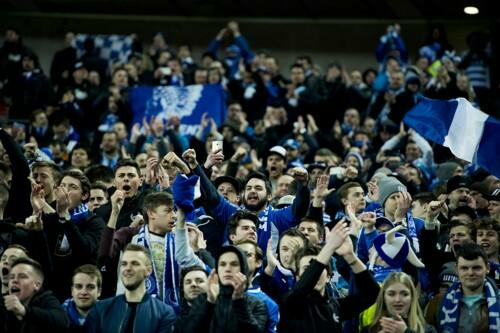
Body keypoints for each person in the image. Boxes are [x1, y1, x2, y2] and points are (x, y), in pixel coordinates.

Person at [278, 220, 380, 332]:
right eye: (307, 269)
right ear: (297, 276)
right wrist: (330, 247)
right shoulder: (289, 302)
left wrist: (350, 257)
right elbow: (300, 290)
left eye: (320, 269)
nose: (314, 275)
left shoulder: (336, 306)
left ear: (328, 276)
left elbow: (373, 294)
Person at [85, 244, 176, 333]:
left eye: (135, 263)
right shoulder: (101, 309)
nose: (128, 268)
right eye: (124, 264)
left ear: (148, 271)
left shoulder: (164, 313)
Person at [178, 245, 268, 333]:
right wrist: (210, 302)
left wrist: (239, 301)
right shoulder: (202, 300)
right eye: (222, 264)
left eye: (234, 264)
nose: (227, 269)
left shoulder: (257, 304)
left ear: (243, 268)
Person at [437, 243, 500, 333]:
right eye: (464, 268)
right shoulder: (439, 301)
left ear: (487, 268)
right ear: (456, 270)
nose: (470, 273)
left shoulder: (498, 301)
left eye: (476, 268)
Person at [0, 257, 69, 333]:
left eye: (22, 276)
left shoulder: (46, 299)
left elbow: (62, 323)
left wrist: (24, 311)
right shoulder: (3, 303)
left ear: (37, 285)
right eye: (11, 277)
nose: (14, 280)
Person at [363, 271, 436, 333]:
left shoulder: (428, 330)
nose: (397, 300)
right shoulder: (369, 330)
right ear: (384, 298)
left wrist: (406, 331)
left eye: (404, 294)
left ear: (412, 298)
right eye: (391, 294)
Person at [63, 264, 101, 332]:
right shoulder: (58, 316)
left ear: (99, 291)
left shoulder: (110, 317)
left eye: (90, 287)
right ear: (72, 291)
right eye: (78, 286)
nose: (83, 292)